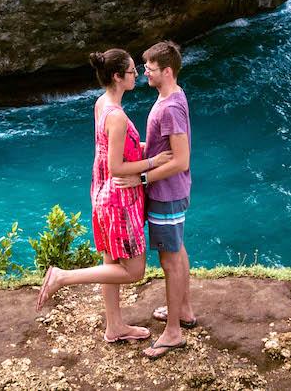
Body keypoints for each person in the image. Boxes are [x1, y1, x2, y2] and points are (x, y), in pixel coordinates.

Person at [35, 49, 173, 343]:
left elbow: (113, 149)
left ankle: (115, 326)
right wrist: (153, 162)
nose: (138, 74)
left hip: (102, 193)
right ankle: (63, 277)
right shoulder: (119, 117)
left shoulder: (101, 104)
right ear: (117, 76)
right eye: (132, 71)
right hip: (120, 199)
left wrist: (148, 147)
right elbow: (117, 166)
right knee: (134, 270)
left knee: (111, 264)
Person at [114, 39, 194, 359]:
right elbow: (163, 148)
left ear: (167, 71)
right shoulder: (170, 95)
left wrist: (141, 177)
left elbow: (181, 159)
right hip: (173, 193)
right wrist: (138, 149)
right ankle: (184, 311)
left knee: (169, 261)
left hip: (166, 195)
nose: (144, 71)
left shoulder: (171, 106)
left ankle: (173, 332)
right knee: (178, 251)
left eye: (149, 68)